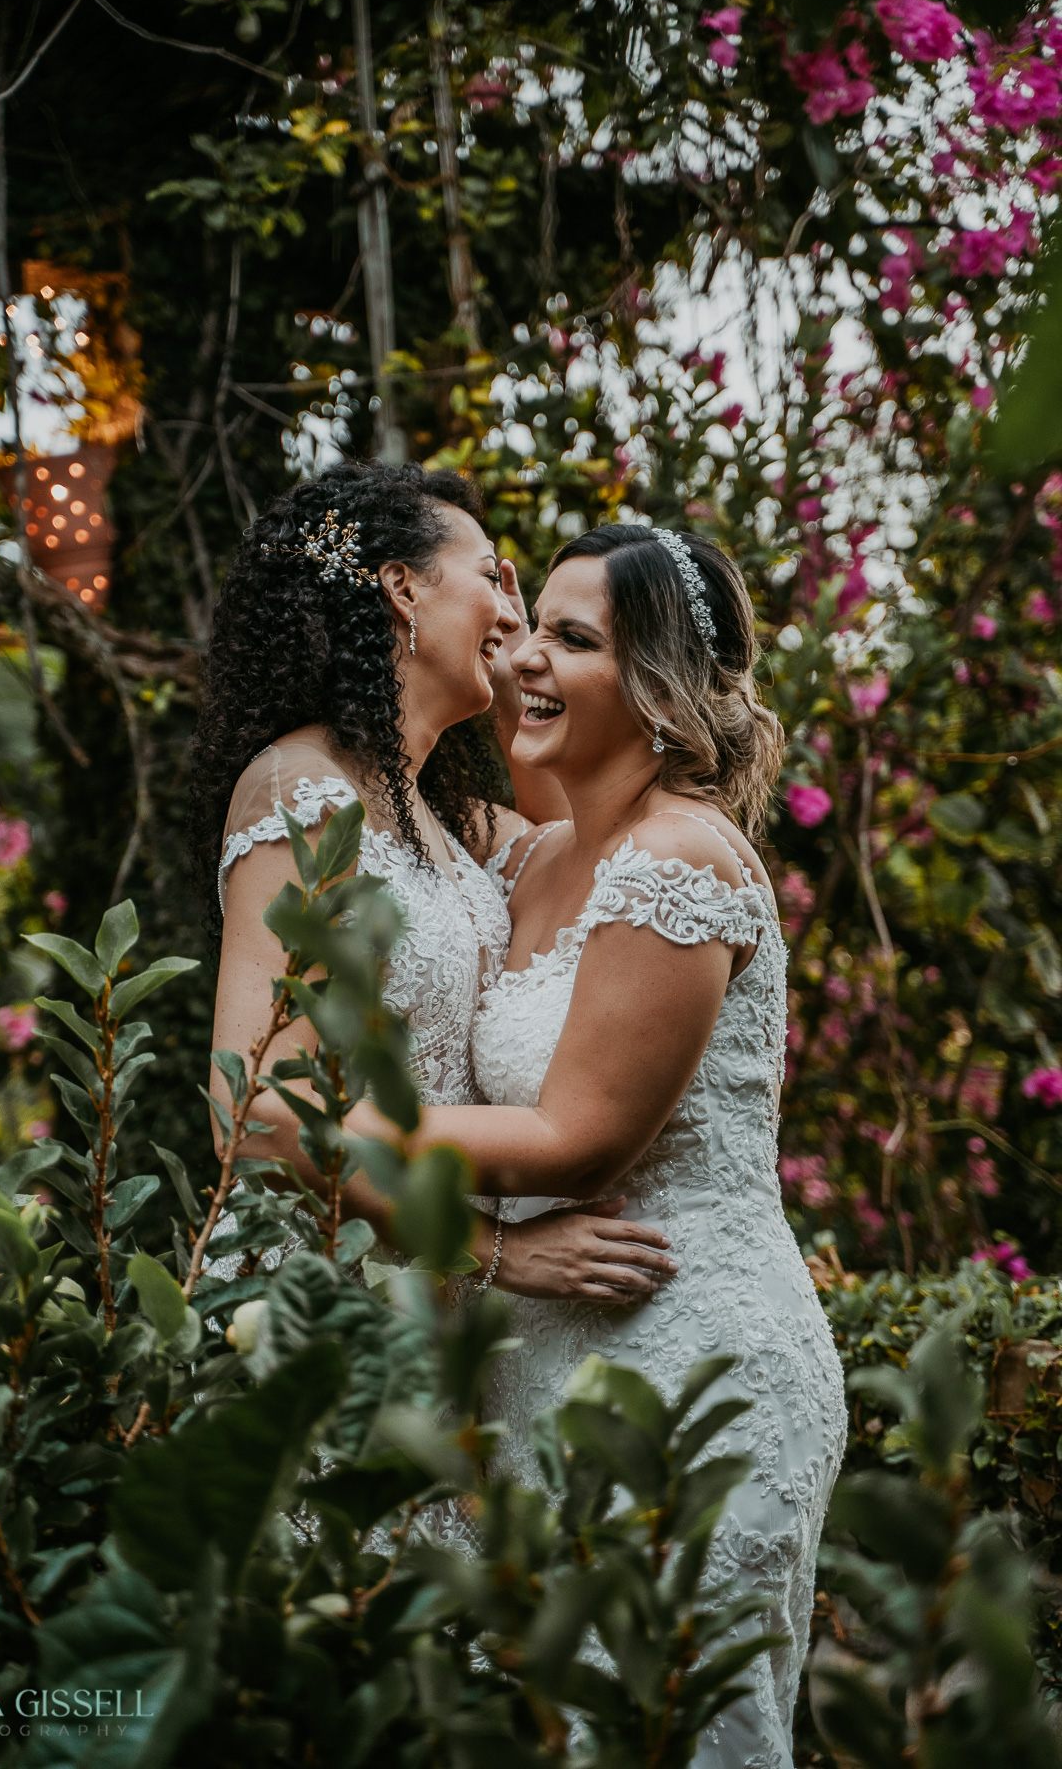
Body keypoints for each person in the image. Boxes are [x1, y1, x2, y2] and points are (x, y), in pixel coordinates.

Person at [347, 523, 849, 1767]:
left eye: (573, 640)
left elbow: (575, 1137)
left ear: (662, 693)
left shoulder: (679, 861)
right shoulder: (537, 858)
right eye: (526, 628)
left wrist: (345, 1130)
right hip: (545, 1366)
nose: (526, 657)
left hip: (689, 1363)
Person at [188, 461, 677, 1304]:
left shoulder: (438, 818)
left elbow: (578, 844)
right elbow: (257, 1115)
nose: (516, 616)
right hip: (328, 1289)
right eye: (493, 577)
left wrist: (510, 657)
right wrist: (499, 1253)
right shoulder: (300, 790)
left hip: (439, 1307)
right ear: (402, 590)